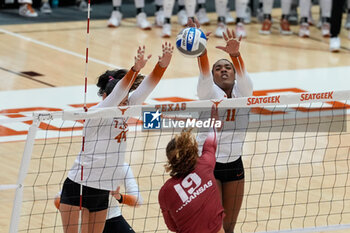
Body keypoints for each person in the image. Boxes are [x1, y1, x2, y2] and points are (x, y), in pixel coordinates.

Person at [59, 42, 174, 233]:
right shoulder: (97, 112)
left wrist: (162, 66)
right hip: (78, 186)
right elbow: (119, 93)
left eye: (126, 100)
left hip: (102, 189)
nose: (125, 103)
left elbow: (147, 87)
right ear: (106, 97)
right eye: (121, 100)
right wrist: (135, 69)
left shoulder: (125, 111)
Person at [190, 18, 253, 233]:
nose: (223, 70)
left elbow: (244, 76)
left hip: (235, 162)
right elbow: (204, 73)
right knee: (213, 225)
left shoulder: (243, 92)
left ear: (234, 74)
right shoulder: (208, 93)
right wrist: (201, 49)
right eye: (218, 68)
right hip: (208, 165)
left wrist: (235, 55)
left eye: (228, 67)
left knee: (229, 227)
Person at [158, 125, 225, 233]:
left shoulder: (165, 191)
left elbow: (172, 227)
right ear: (192, 150)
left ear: (170, 161)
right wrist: (214, 123)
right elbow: (210, 144)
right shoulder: (205, 164)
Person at [55, 163, 142, 233]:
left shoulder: (123, 167)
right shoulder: (86, 168)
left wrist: (119, 196)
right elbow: (58, 199)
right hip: (88, 221)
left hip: (112, 218)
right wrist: (76, 214)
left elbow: (138, 201)